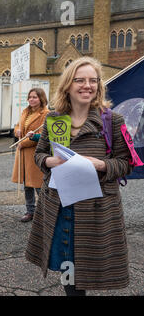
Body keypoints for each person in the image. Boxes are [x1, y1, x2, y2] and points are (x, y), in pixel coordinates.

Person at [25, 57, 134, 295]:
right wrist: (49, 161)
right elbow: (40, 154)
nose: (88, 85)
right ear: (68, 85)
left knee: (86, 270)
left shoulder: (112, 120)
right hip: (59, 206)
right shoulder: (54, 118)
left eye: (93, 81)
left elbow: (127, 163)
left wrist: (102, 165)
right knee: (68, 270)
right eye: (80, 80)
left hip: (95, 210)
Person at [11, 88, 49, 222]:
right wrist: (17, 131)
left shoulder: (46, 114)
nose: (31, 99)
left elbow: (44, 135)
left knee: (38, 184)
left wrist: (23, 143)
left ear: (41, 98)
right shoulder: (25, 111)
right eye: (30, 97)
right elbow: (17, 126)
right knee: (27, 184)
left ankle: (45, 213)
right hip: (23, 154)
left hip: (35, 153)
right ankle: (30, 211)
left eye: (35, 97)